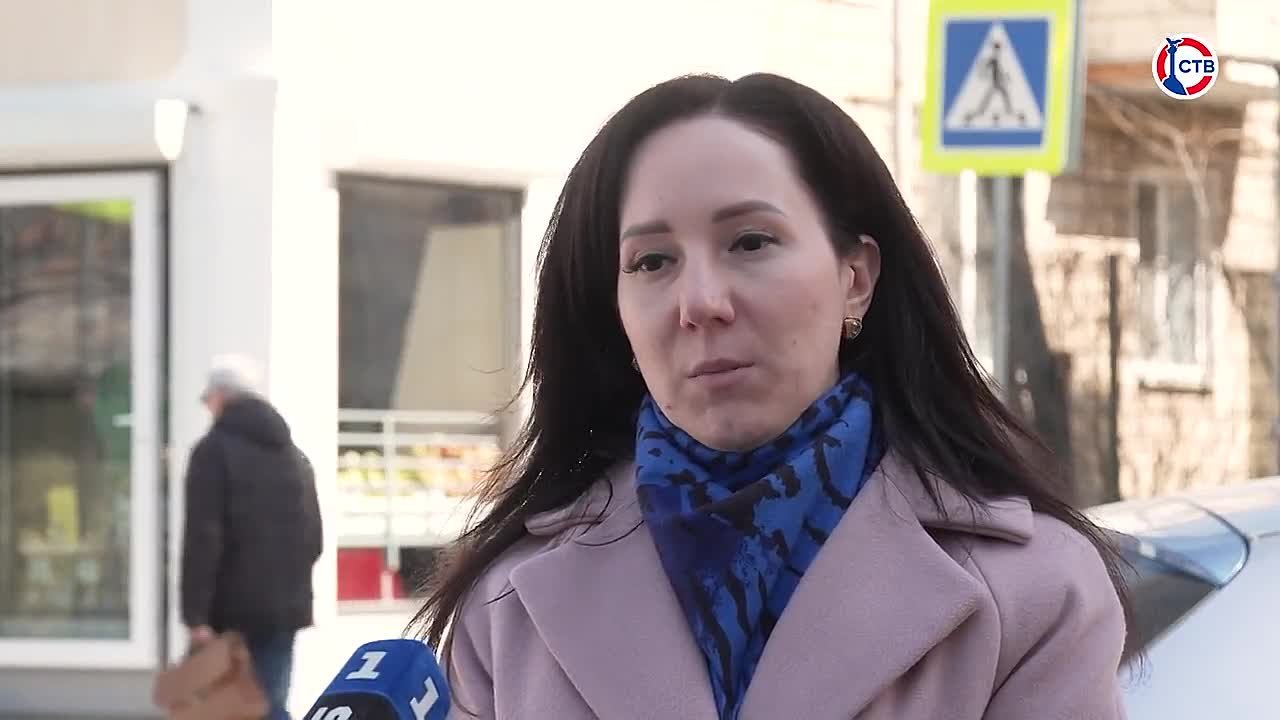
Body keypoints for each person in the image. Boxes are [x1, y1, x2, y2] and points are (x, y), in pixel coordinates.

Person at [414, 73, 1130, 720]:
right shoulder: (510, 608)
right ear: (617, 313)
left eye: (751, 243)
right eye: (653, 261)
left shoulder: (1032, 595)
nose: (701, 302)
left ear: (855, 277)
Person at [180, 354, 323, 720]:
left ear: (221, 396)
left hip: (229, 613)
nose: (207, 407)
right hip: (284, 611)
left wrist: (196, 616)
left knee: (225, 707)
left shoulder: (212, 452)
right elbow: (313, 537)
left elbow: (203, 539)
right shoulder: (293, 454)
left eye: (208, 398)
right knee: (270, 704)